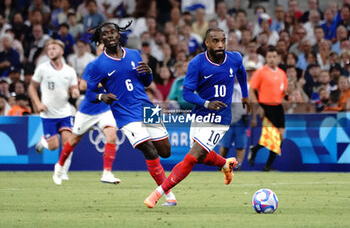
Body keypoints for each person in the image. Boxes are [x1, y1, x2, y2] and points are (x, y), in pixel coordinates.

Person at [144, 27, 249, 208]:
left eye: (223, 40)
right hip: (201, 114)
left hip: (220, 118)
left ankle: (157, 193)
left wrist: (245, 94)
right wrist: (207, 103)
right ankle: (225, 163)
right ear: (207, 43)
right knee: (200, 156)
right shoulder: (197, 63)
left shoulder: (235, 58)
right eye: (215, 40)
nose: (220, 44)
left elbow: (241, 71)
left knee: (192, 157)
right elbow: (187, 94)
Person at [85, 22, 176, 206]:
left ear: (119, 35)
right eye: (105, 34)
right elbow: (89, 93)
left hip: (147, 107)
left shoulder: (134, 54)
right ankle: (168, 195)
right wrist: (102, 96)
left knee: (165, 151)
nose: (109, 36)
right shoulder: (98, 65)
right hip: (125, 114)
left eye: (112, 32)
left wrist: (149, 73)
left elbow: (146, 82)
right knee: (149, 149)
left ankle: (163, 189)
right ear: (100, 39)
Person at [53, 44, 120, 185]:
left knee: (112, 136)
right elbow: (83, 86)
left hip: (104, 109)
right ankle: (59, 167)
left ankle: (107, 173)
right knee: (73, 141)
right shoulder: (92, 66)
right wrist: (100, 84)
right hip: (87, 111)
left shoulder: (116, 65)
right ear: (97, 51)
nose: (105, 52)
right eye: (102, 49)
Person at [28, 39, 79, 180]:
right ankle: (43, 142)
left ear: (61, 51)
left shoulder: (69, 71)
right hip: (48, 114)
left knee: (69, 142)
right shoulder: (42, 68)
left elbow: (74, 88)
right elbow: (32, 87)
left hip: (65, 112)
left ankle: (63, 171)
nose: (51, 51)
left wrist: (75, 92)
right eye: (49, 49)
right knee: (53, 146)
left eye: (54, 48)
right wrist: (37, 103)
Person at [248, 46, 288, 171]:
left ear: (278, 58)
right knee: (271, 136)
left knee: (280, 136)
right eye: (269, 57)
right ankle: (266, 164)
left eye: (274, 57)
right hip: (266, 106)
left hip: (278, 107)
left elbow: (283, 92)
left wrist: (286, 99)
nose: (272, 59)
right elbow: (251, 90)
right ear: (266, 58)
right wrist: (258, 106)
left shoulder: (282, 73)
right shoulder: (260, 72)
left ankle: (257, 153)